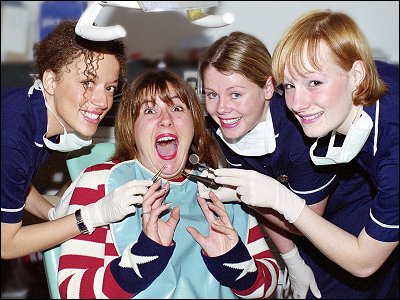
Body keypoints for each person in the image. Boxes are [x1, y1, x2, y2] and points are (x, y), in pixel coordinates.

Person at [208, 10, 398, 298]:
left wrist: (281, 200)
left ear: (356, 76)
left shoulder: (392, 149)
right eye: (291, 86)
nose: (297, 103)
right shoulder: (355, 87)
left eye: (314, 83)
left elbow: (365, 262)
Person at [57, 70, 280, 299]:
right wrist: (144, 258)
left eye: (176, 108)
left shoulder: (224, 187)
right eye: (150, 110)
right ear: (131, 129)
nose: (166, 120)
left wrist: (234, 262)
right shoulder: (99, 182)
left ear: (194, 125)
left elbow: (268, 284)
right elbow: (72, 290)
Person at [197, 31, 339, 298]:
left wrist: (246, 197)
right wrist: (293, 260)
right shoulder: (234, 127)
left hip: (340, 220)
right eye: (212, 95)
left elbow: (304, 223)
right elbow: (263, 204)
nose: (222, 109)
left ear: (268, 87)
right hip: (295, 226)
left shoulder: (299, 135)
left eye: (236, 94)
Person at [1, 20, 151, 260]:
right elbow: (6, 245)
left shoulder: (33, 112)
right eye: (87, 83)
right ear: (51, 81)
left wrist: (53, 214)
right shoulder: (13, 137)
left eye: (110, 88)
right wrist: (92, 216)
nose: (103, 101)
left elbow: (14, 184)